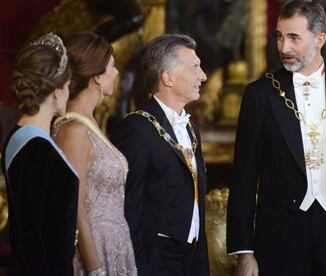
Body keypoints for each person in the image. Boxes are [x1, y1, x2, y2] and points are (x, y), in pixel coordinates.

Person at [226, 1, 326, 276]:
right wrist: (244, 250)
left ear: (319, 39)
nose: (283, 47)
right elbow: (243, 177)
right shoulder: (259, 94)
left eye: (293, 38)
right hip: (279, 231)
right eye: (279, 36)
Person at [112, 34, 210, 276]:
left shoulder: (191, 129)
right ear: (168, 77)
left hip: (193, 260)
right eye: (195, 67)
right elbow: (128, 208)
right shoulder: (137, 129)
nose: (203, 76)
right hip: (156, 262)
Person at [52, 32, 137, 276]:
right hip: (94, 254)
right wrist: (95, 269)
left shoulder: (89, 123)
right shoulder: (74, 129)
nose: (117, 72)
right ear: (98, 76)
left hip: (115, 247)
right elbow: (74, 207)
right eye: (113, 66)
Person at [1, 33, 78, 275]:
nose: (68, 93)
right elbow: (32, 237)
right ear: (56, 92)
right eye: (67, 87)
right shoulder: (36, 148)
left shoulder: (23, 135)